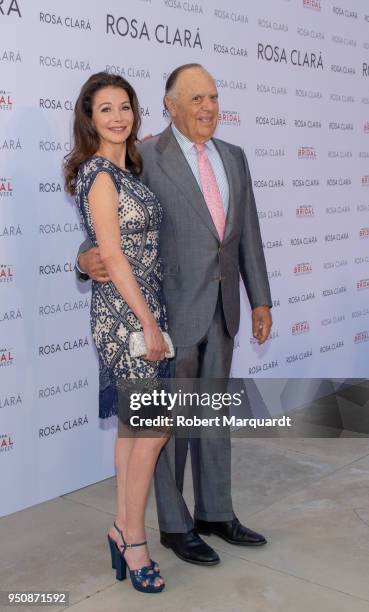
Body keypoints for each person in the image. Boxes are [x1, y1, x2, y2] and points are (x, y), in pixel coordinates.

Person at [77, 64, 273, 566]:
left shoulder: (235, 157)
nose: (208, 108)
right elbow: (113, 227)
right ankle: (175, 525)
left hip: (223, 310)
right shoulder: (144, 156)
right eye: (196, 99)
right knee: (164, 429)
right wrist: (83, 260)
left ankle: (215, 512)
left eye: (213, 97)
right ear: (170, 105)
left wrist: (260, 299)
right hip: (166, 314)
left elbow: (245, 234)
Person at [64, 72, 170, 594]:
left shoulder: (131, 169)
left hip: (142, 310)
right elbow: (109, 255)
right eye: (105, 109)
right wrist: (148, 321)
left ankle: (122, 529)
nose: (117, 117)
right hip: (126, 318)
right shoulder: (100, 175)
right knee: (151, 432)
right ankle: (133, 539)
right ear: (90, 119)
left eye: (124, 106)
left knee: (140, 433)